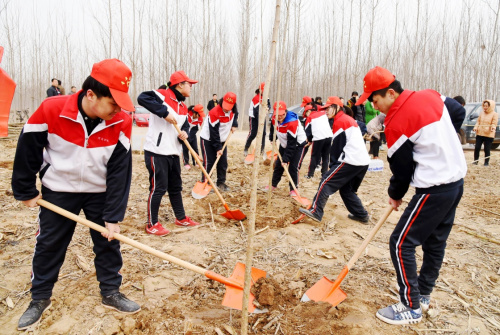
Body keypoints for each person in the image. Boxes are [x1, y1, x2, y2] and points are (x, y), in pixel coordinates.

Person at [12, 59, 140, 330]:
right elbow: (28, 148)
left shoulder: (121, 121)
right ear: (91, 94)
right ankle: (40, 298)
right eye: (113, 102)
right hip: (59, 190)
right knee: (49, 244)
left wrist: (114, 215)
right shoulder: (52, 109)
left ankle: (111, 292)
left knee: (108, 243)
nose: (118, 109)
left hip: (99, 192)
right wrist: (25, 190)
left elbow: (120, 171)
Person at [355, 66, 466, 325]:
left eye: (375, 99)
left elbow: (402, 169)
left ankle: (410, 306)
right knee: (435, 241)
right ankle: (423, 295)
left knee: (400, 242)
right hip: (455, 183)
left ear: (391, 93)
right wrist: (442, 139)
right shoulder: (430, 95)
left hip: (433, 188)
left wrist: (395, 194)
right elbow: (458, 111)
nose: (373, 105)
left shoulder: (396, 123)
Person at [138, 70, 200, 236]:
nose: (191, 87)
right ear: (179, 85)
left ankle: (180, 218)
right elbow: (142, 98)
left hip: (173, 152)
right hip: (157, 151)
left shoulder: (183, 106)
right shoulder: (163, 95)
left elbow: (185, 125)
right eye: (189, 84)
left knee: (175, 187)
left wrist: (185, 133)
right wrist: (164, 113)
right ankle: (152, 223)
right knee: (158, 188)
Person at [299, 96, 370, 224]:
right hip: (363, 162)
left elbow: (337, 148)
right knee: (346, 190)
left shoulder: (341, 121)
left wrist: (332, 167)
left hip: (351, 160)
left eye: (328, 108)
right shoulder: (346, 119)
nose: (325, 111)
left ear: (337, 107)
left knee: (326, 181)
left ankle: (316, 211)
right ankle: (362, 215)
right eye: (324, 108)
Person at [199, 92, 238, 191]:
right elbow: (214, 133)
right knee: (209, 162)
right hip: (208, 139)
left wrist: (234, 124)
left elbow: (235, 116)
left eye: (229, 107)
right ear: (222, 101)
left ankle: (221, 182)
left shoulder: (233, 110)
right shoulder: (214, 112)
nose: (226, 108)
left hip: (223, 139)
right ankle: (205, 182)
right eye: (225, 106)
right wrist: (218, 148)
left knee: (223, 162)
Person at [266, 101, 307, 196]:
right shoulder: (274, 118)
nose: (279, 117)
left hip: (297, 145)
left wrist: (286, 159)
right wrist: (272, 138)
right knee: (278, 165)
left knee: (293, 167)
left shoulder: (292, 122)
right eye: (277, 115)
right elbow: (273, 129)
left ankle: (293, 189)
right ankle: (273, 184)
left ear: (286, 112)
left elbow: (292, 143)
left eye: (282, 114)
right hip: (284, 143)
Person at [304, 102, 333, 179]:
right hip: (329, 136)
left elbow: (308, 132)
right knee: (326, 156)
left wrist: (309, 140)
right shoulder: (323, 113)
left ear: (308, 111)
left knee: (314, 156)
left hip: (318, 138)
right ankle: (324, 174)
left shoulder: (310, 117)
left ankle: (310, 174)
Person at [244, 83, 268, 158]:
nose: (264, 92)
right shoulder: (256, 98)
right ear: (260, 90)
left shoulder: (266, 97)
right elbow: (256, 112)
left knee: (263, 133)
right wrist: (260, 122)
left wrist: (267, 108)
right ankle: (246, 148)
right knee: (253, 133)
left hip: (262, 117)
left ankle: (262, 150)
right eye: (263, 90)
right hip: (254, 117)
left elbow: (269, 105)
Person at [473, 100, 497, 166]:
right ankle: (475, 161)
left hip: (488, 134)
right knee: (477, 148)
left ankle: (486, 162)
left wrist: (493, 128)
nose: (485, 107)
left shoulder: (494, 114)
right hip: (480, 133)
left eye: (486, 106)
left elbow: (494, 123)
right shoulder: (481, 113)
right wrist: (476, 127)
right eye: (484, 106)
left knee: (487, 149)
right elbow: (478, 121)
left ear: (490, 106)